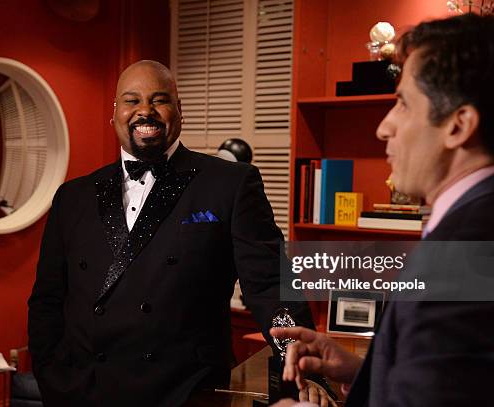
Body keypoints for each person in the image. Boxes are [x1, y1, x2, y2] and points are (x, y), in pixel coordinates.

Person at [271, 13, 494, 407]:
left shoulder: (461, 269)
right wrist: (364, 371)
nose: (384, 127)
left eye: (403, 103)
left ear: (458, 126)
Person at [27, 60, 316, 406]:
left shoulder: (230, 185)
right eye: (132, 101)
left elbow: (270, 284)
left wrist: (301, 359)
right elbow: (47, 299)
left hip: (183, 393)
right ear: (115, 113)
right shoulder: (73, 197)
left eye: (159, 100)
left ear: (179, 111)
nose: (145, 111)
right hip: (83, 392)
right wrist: (51, 377)